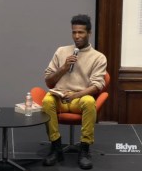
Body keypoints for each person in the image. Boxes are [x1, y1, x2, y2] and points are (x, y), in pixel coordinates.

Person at [41, 14, 107, 169]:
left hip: (79, 99)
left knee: (90, 101)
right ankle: (56, 147)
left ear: (89, 33)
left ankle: (84, 149)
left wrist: (76, 95)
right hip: (60, 98)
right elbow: (48, 81)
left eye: (81, 32)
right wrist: (63, 68)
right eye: (74, 32)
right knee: (47, 100)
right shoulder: (61, 51)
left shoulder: (98, 57)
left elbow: (98, 86)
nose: (77, 36)